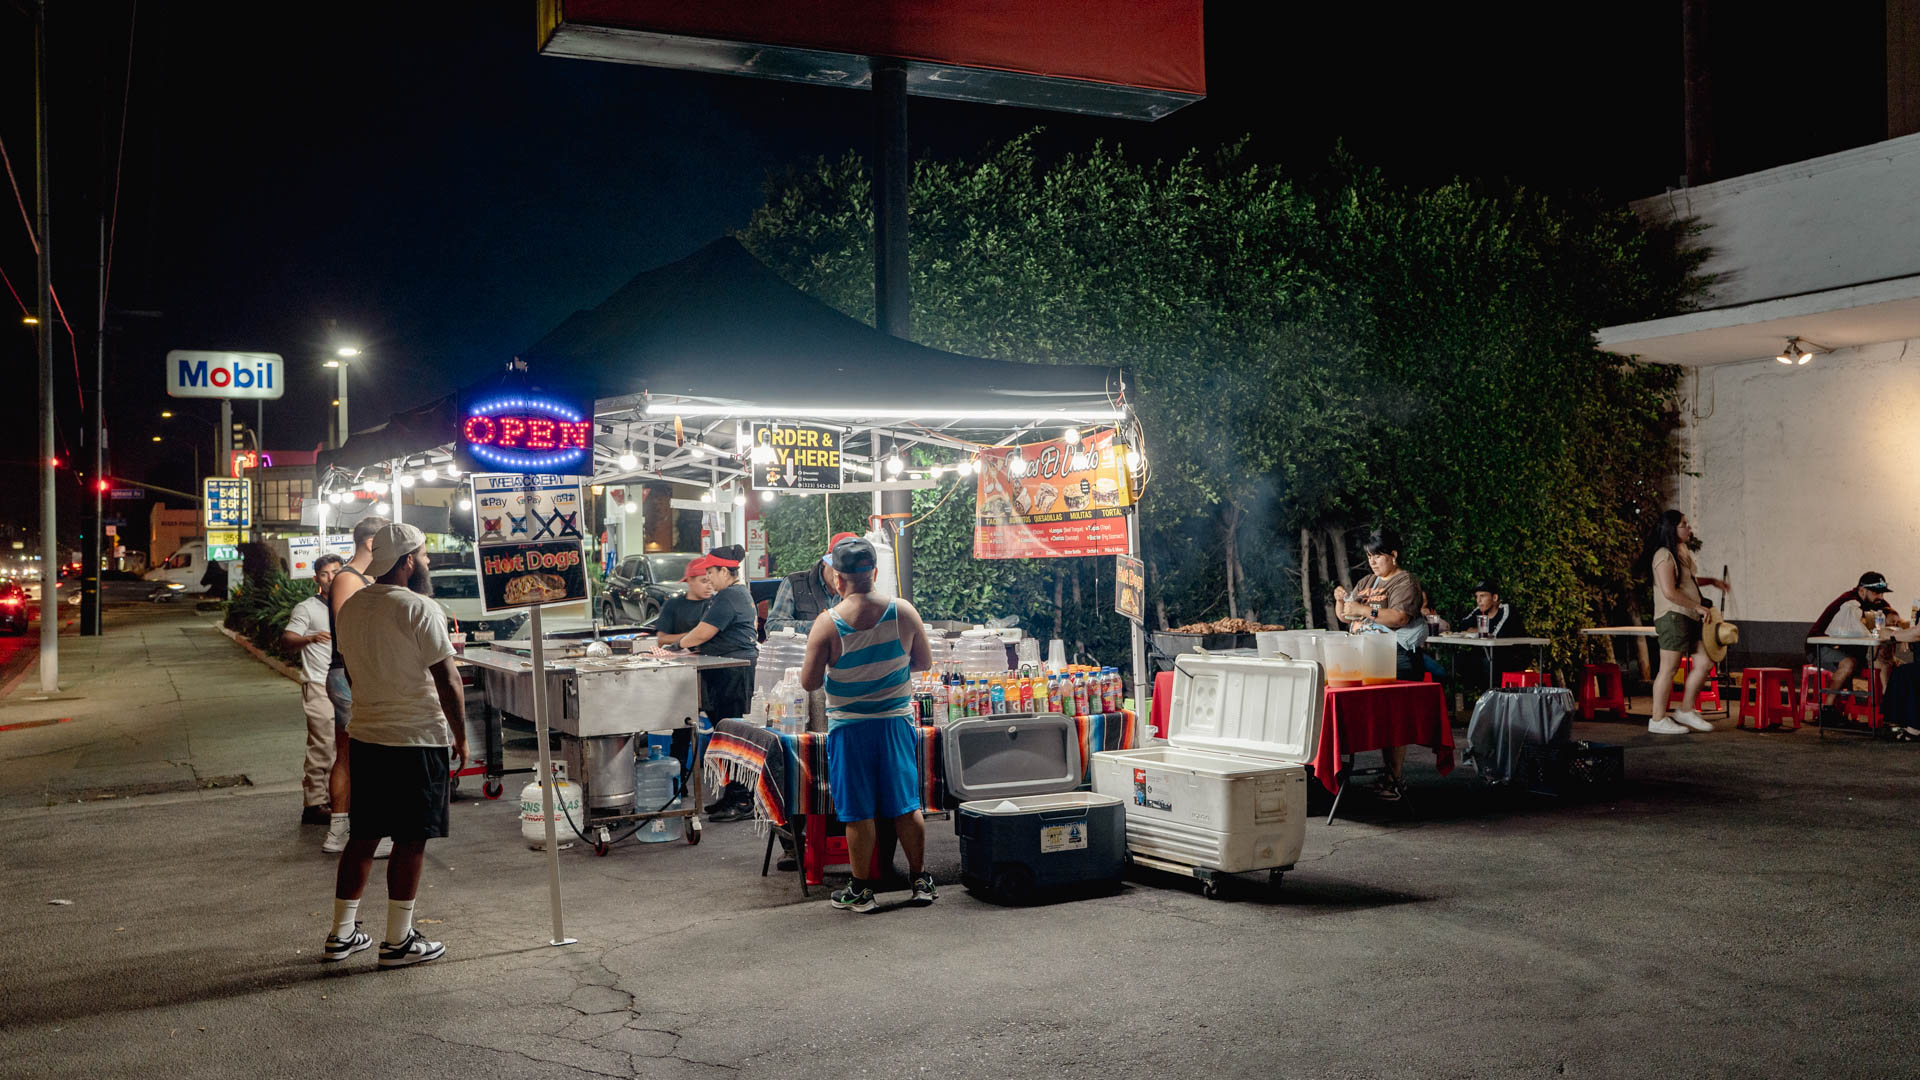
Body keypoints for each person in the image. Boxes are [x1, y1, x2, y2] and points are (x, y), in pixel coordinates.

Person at [321, 523, 467, 968]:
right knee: (411, 839)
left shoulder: (350, 608)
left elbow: (348, 671)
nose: (425, 563)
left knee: (363, 837)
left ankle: (341, 935)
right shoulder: (420, 607)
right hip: (416, 738)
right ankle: (398, 941)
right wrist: (461, 737)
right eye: (422, 556)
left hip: (368, 736)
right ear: (407, 561)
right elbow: (448, 678)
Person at [799, 536, 936, 912]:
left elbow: (809, 683)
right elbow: (923, 662)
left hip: (850, 728)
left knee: (858, 811)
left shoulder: (827, 624)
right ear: (874, 573)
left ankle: (861, 890)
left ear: (837, 579)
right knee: (906, 805)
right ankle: (921, 881)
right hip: (895, 723)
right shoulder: (903, 612)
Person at [657, 544, 760, 818]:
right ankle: (732, 795)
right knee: (725, 736)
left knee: (733, 737)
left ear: (725, 571)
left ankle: (742, 800)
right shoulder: (733, 594)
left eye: (711, 573)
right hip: (725, 672)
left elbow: (702, 633)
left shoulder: (729, 596)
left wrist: (674, 647)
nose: (709, 579)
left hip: (734, 673)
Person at [1331, 527, 1428, 801]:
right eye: (1369, 556)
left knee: (1394, 718)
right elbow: (1346, 617)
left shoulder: (1404, 582)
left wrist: (1365, 610)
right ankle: (1361, 774)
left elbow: (1399, 618)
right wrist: (1341, 601)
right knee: (1373, 716)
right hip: (1366, 656)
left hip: (1397, 656)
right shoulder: (1366, 582)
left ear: (1393, 555)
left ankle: (1394, 779)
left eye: (1378, 556)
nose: (1373, 561)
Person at [322, 516, 391, 856]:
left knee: (350, 754)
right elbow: (349, 631)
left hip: (355, 672)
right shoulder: (348, 579)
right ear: (369, 543)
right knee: (365, 753)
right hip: (350, 673)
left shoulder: (364, 578)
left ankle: (340, 831)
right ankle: (367, 832)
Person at [1641, 510, 1730, 735]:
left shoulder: (1681, 551)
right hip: (1673, 616)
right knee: (1668, 669)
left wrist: (1711, 581)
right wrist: (1697, 606)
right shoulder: (1663, 554)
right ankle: (1658, 719)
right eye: (1684, 524)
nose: (1689, 528)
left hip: (1691, 616)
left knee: (1705, 662)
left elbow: (1687, 581)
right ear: (1672, 528)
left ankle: (1686, 710)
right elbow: (1669, 591)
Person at [283, 555, 343, 825]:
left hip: (346, 684)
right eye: (325, 573)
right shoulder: (306, 608)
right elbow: (287, 638)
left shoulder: (349, 603)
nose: (330, 577)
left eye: (335, 572)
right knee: (322, 744)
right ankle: (314, 803)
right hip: (318, 683)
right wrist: (310, 638)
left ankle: (336, 798)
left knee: (343, 746)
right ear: (316, 578)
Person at [1807, 571, 1900, 724]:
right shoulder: (1848, 603)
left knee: (1891, 663)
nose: (1881, 597)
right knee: (1849, 663)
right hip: (1820, 647)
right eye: (1876, 592)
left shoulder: (1877, 604)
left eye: (1883, 593)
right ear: (1862, 590)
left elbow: (1890, 617)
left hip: (1852, 649)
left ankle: (1888, 710)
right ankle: (1828, 709)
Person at [766, 532, 852, 631]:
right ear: (826, 559)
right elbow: (773, 626)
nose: (841, 577)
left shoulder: (856, 589)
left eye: (848, 573)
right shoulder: (794, 584)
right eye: (837, 569)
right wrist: (821, 626)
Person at [653, 556, 716, 646]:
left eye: (711, 581)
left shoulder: (717, 603)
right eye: (704, 581)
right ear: (690, 580)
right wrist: (695, 636)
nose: (709, 587)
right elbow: (661, 639)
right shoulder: (673, 604)